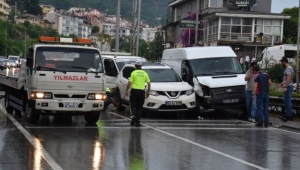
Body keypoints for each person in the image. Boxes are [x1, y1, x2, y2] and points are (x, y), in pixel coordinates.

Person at [124, 61, 151, 127]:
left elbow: (130, 82)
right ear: (141, 66)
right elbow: (149, 83)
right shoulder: (145, 73)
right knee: (139, 107)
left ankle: (133, 116)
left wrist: (126, 90)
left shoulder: (133, 73)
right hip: (142, 92)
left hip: (134, 91)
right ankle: (137, 121)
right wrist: (148, 92)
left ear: (135, 66)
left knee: (133, 105)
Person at [279, 57, 294, 122]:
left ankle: (289, 115)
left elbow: (288, 78)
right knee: (286, 101)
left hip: (288, 86)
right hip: (288, 85)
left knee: (288, 101)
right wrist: (283, 83)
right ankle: (287, 113)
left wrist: (285, 87)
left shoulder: (288, 69)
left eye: (282, 62)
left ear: (284, 62)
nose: (282, 63)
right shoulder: (290, 68)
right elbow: (288, 79)